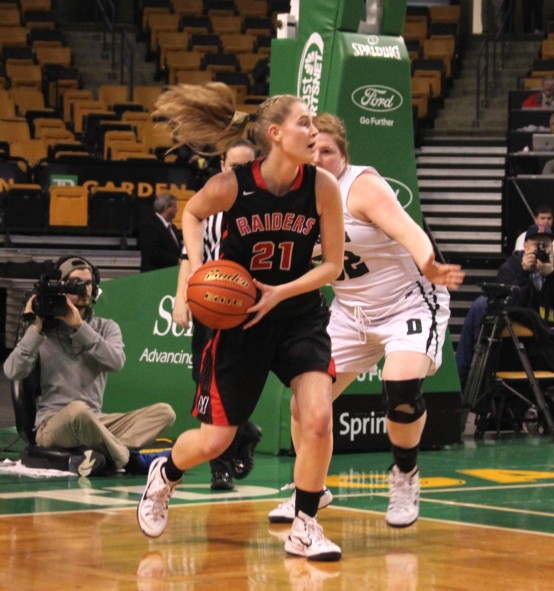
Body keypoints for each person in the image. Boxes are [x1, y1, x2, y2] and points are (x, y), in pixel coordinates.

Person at [136, 84, 346, 562]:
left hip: (297, 314)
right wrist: (193, 271)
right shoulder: (233, 186)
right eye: (303, 123)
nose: (313, 131)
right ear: (275, 133)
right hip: (237, 322)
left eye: (312, 124)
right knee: (216, 440)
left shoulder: (322, 187)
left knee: (316, 418)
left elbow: (331, 264)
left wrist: (280, 293)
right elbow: (191, 213)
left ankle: (306, 526)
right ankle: (164, 474)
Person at [267, 113, 464, 529]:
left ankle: (405, 475)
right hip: (349, 312)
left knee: (402, 388)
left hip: (406, 303)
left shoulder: (362, 187)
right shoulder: (299, 194)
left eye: (328, 151)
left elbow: (411, 231)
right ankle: (310, 492)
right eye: (312, 150)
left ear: (343, 155)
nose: (319, 157)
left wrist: (429, 263)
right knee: (306, 404)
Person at [3, 256, 176, 476]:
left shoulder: (106, 327)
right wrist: (35, 329)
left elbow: (116, 362)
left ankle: (102, 455)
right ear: (62, 288)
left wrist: (79, 326)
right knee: (78, 410)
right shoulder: (43, 331)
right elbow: (12, 371)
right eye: (75, 284)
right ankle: (127, 459)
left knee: (164, 413)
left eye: (88, 283)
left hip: (96, 419)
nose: (84, 289)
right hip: (53, 424)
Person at [172, 138, 263, 492]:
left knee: (230, 387)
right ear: (222, 165)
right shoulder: (209, 204)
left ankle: (231, 451)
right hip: (212, 306)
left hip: (250, 309)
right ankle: (235, 447)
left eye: (246, 166)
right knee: (204, 380)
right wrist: (182, 298)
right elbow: (186, 257)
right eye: (232, 166)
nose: (238, 172)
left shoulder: (263, 205)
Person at [455, 224, 554, 387]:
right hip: (514, 345)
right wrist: (524, 273)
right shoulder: (511, 267)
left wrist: (552, 275)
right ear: (525, 246)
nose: (541, 249)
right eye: (536, 244)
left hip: (546, 342)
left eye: (545, 245)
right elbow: (506, 305)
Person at [139, 193, 182, 272]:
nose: (177, 209)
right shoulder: (150, 225)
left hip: (170, 274)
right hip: (154, 275)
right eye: (174, 206)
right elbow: (152, 252)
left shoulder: (173, 228)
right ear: (166, 207)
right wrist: (176, 261)